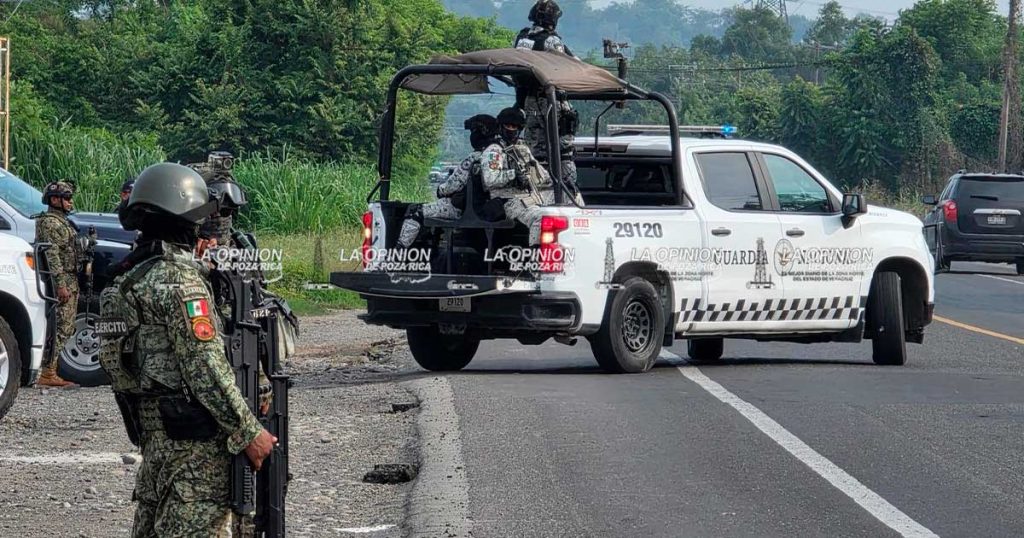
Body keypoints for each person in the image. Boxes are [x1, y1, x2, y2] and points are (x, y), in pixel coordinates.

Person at [99, 162, 276, 537]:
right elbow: (205, 365)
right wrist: (249, 432)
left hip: (156, 445)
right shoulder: (182, 283)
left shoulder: (126, 282)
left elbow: (120, 371)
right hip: (194, 455)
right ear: (187, 218)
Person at [514, 0, 581, 200]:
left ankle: (537, 189)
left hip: (528, 101)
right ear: (553, 20)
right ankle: (567, 191)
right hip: (550, 100)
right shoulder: (552, 41)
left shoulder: (522, 38)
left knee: (535, 149)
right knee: (564, 147)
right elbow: (567, 66)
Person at [397, 114, 498, 248]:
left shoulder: (474, 158)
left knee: (415, 211)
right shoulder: (498, 157)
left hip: (460, 208)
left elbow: (451, 186)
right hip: (485, 208)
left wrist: (440, 189)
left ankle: (397, 254)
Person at [481, 108, 555, 245]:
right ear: (500, 126)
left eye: (514, 126)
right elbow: (490, 180)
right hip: (507, 200)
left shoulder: (521, 148)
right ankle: (537, 257)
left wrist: (555, 181)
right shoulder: (494, 151)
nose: (511, 129)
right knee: (541, 218)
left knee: (571, 201)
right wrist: (513, 174)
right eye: (508, 126)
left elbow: (539, 174)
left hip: (529, 195)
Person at [34, 181, 80, 388]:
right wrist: (60, 284)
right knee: (61, 326)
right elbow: (52, 255)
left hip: (70, 277)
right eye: (67, 198)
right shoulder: (51, 223)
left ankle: (50, 370)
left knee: (66, 326)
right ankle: (47, 373)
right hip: (62, 280)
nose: (70, 202)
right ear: (55, 199)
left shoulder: (61, 222)